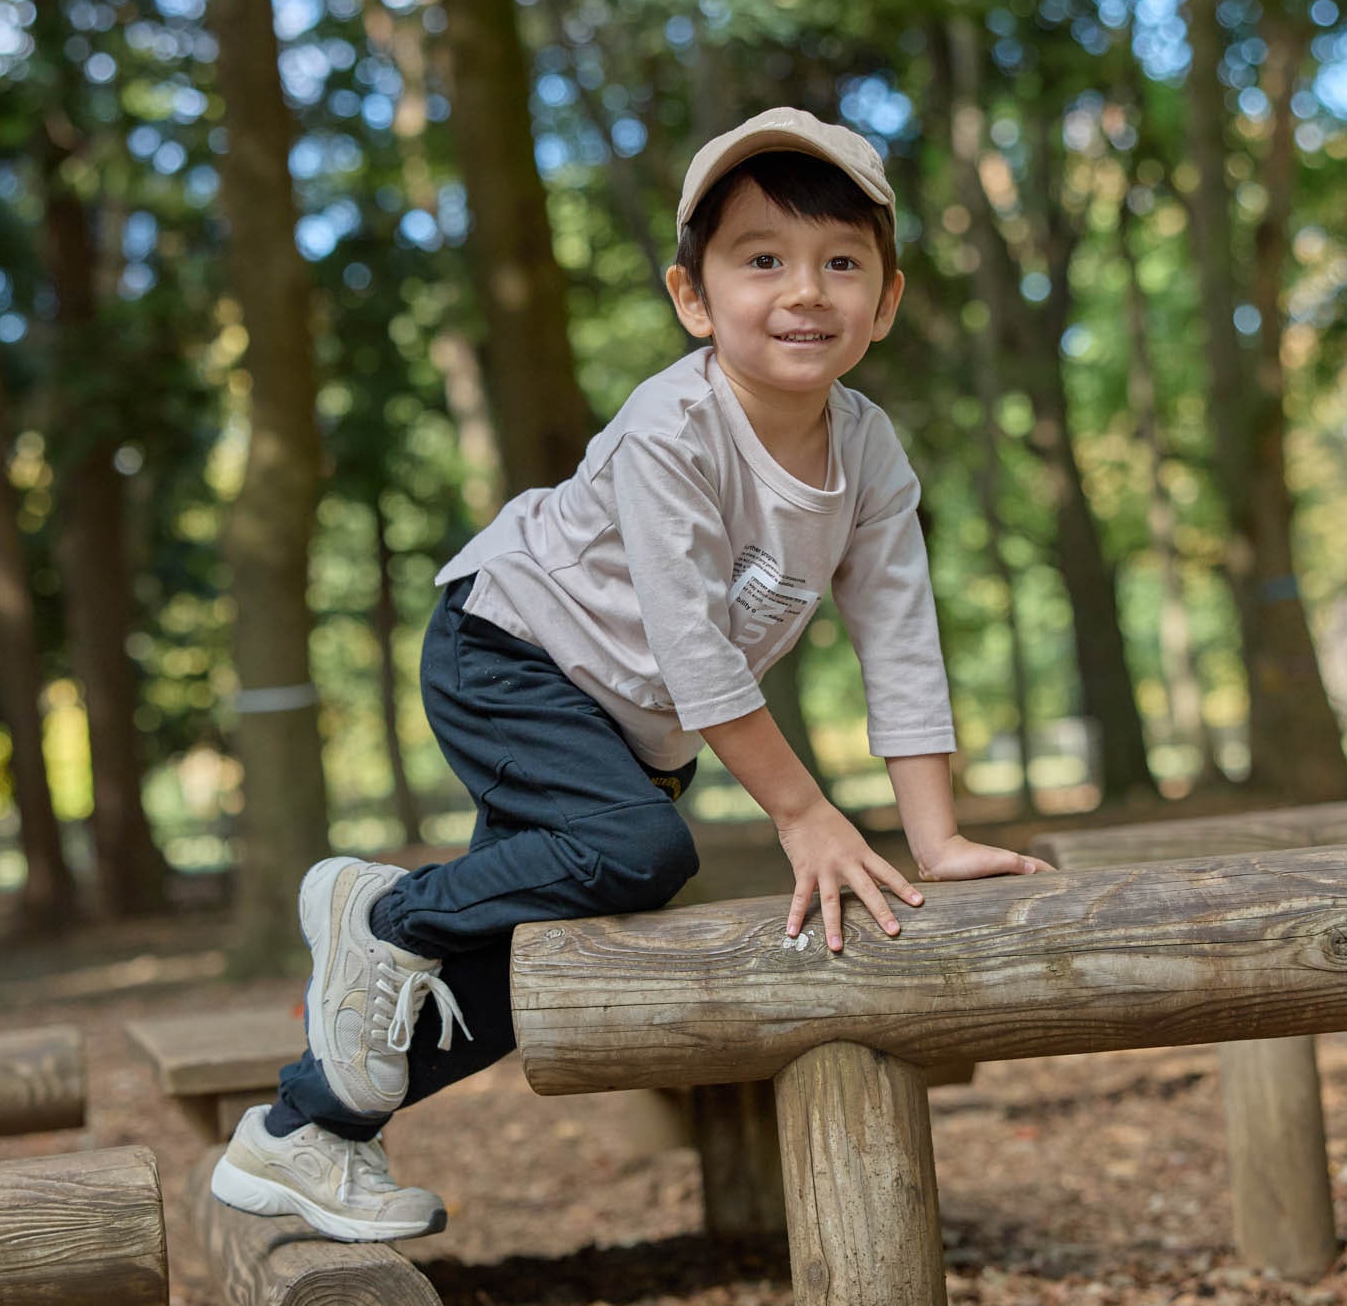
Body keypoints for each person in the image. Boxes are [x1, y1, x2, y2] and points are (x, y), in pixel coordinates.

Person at [210, 105, 1051, 1242]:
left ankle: (303, 1134)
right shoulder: (674, 428)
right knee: (641, 850)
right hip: (507, 649)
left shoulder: (868, 451)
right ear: (692, 297)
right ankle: (385, 908)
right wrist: (803, 814)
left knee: (529, 969)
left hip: (620, 728)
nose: (805, 290)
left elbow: (900, 639)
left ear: (885, 302)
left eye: (841, 263)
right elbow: (695, 646)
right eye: (763, 260)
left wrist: (936, 839)